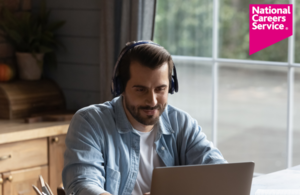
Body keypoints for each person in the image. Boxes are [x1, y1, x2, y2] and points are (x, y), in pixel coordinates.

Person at [62, 41, 227, 195]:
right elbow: (82, 185)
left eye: (160, 89)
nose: (152, 101)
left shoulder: (182, 123)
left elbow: (219, 172)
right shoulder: (89, 122)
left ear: (171, 87)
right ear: (120, 88)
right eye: (141, 90)